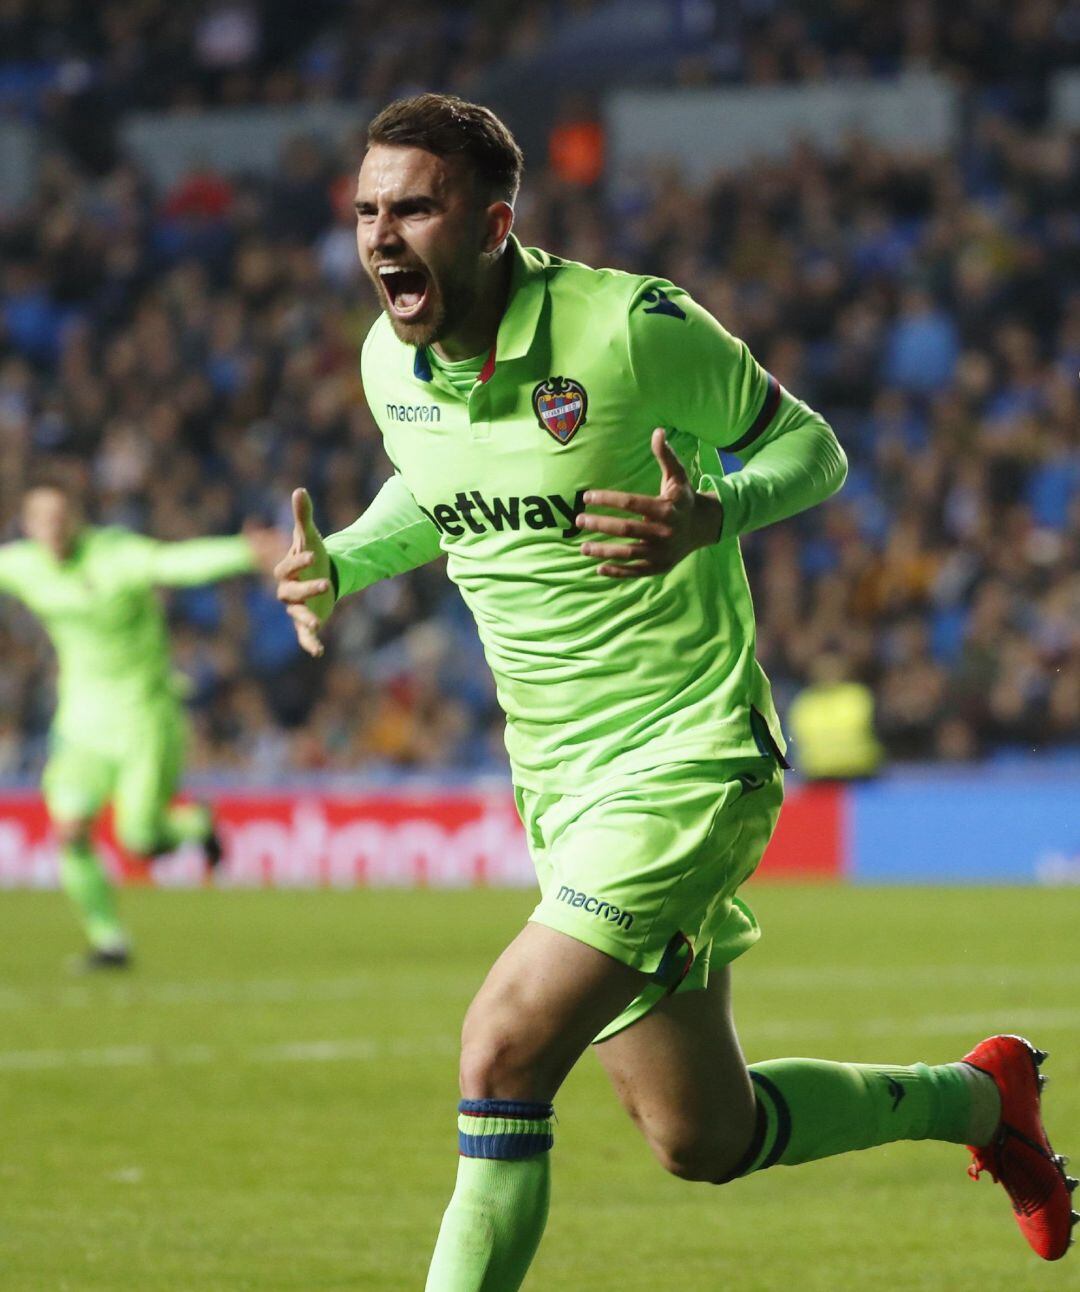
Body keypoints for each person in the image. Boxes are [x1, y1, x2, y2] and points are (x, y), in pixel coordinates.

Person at [274, 94, 1076, 1285]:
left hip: (690, 752)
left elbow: (813, 447)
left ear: (494, 222)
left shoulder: (628, 327)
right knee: (703, 1132)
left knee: (498, 1051)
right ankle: (979, 1101)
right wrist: (345, 555)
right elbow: (435, 490)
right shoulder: (391, 359)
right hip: (558, 782)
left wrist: (717, 511)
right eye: (368, 211)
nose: (383, 236)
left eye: (416, 208)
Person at [0, 475, 282, 968]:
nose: (52, 527)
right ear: (26, 525)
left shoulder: (115, 555)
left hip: (144, 717)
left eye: (60, 516)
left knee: (139, 840)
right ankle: (108, 940)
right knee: (69, 831)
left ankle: (197, 823)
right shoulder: (24, 566)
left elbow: (175, 563)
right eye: (41, 519)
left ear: (77, 517)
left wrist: (243, 550)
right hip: (82, 725)